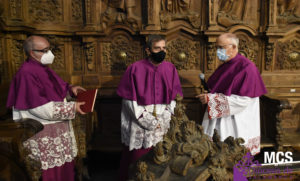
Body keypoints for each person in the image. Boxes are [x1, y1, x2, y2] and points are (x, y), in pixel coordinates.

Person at [6, 35, 86, 181]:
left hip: (57, 131)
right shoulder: (26, 73)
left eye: (49, 49)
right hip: (43, 133)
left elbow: (58, 88)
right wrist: (72, 108)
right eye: (45, 50)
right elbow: (40, 108)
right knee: (51, 174)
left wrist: (71, 89)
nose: (50, 54)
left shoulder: (42, 68)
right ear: (32, 53)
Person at [116, 34, 183, 180]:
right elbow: (128, 101)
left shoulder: (170, 68)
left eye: (164, 48)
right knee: (138, 162)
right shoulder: (134, 68)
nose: (161, 51)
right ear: (148, 50)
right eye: (157, 48)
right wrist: (148, 121)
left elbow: (174, 98)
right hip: (140, 121)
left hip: (163, 121)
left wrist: (164, 117)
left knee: (162, 162)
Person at [196, 33, 267, 155]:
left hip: (236, 123)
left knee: (236, 163)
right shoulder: (225, 65)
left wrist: (212, 99)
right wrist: (210, 95)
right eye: (216, 47)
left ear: (233, 47)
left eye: (221, 47)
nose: (217, 51)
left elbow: (243, 101)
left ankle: (239, 175)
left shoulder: (247, 68)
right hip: (220, 120)